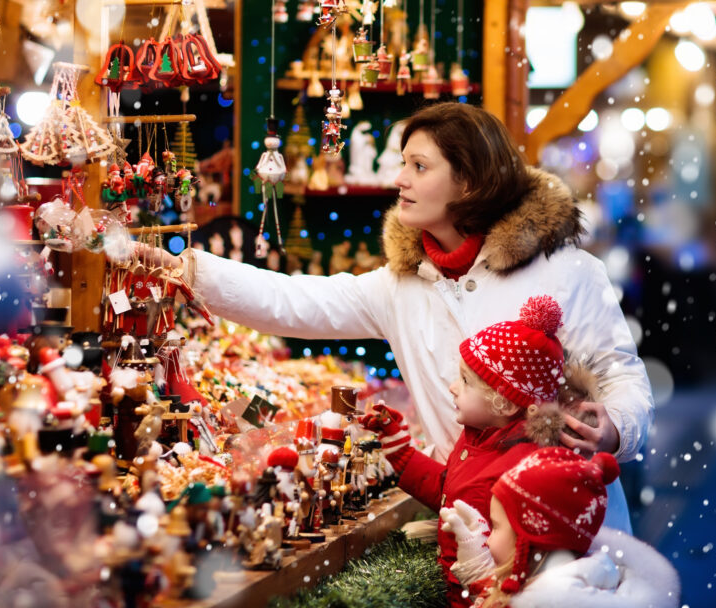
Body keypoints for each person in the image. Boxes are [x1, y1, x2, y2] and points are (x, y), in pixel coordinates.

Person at [132, 101, 653, 530]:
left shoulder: (567, 272)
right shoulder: (400, 286)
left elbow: (620, 376)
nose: (398, 179)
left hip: (570, 525)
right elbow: (291, 301)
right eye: (402, 162)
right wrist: (187, 269)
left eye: (419, 167)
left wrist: (616, 427)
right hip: (472, 526)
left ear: (469, 182)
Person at [360, 294, 598, 608]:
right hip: (460, 595)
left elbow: (520, 569)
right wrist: (400, 449)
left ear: (505, 402)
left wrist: (479, 578)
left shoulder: (523, 470)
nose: (453, 387)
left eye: (467, 382)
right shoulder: (479, 439)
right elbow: (451, 491)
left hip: (478, 606)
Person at [441, 447, 680, 608]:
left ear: (532, 537)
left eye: (496, 526)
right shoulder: (552, 586)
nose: (489, 539)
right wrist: (476, 560)